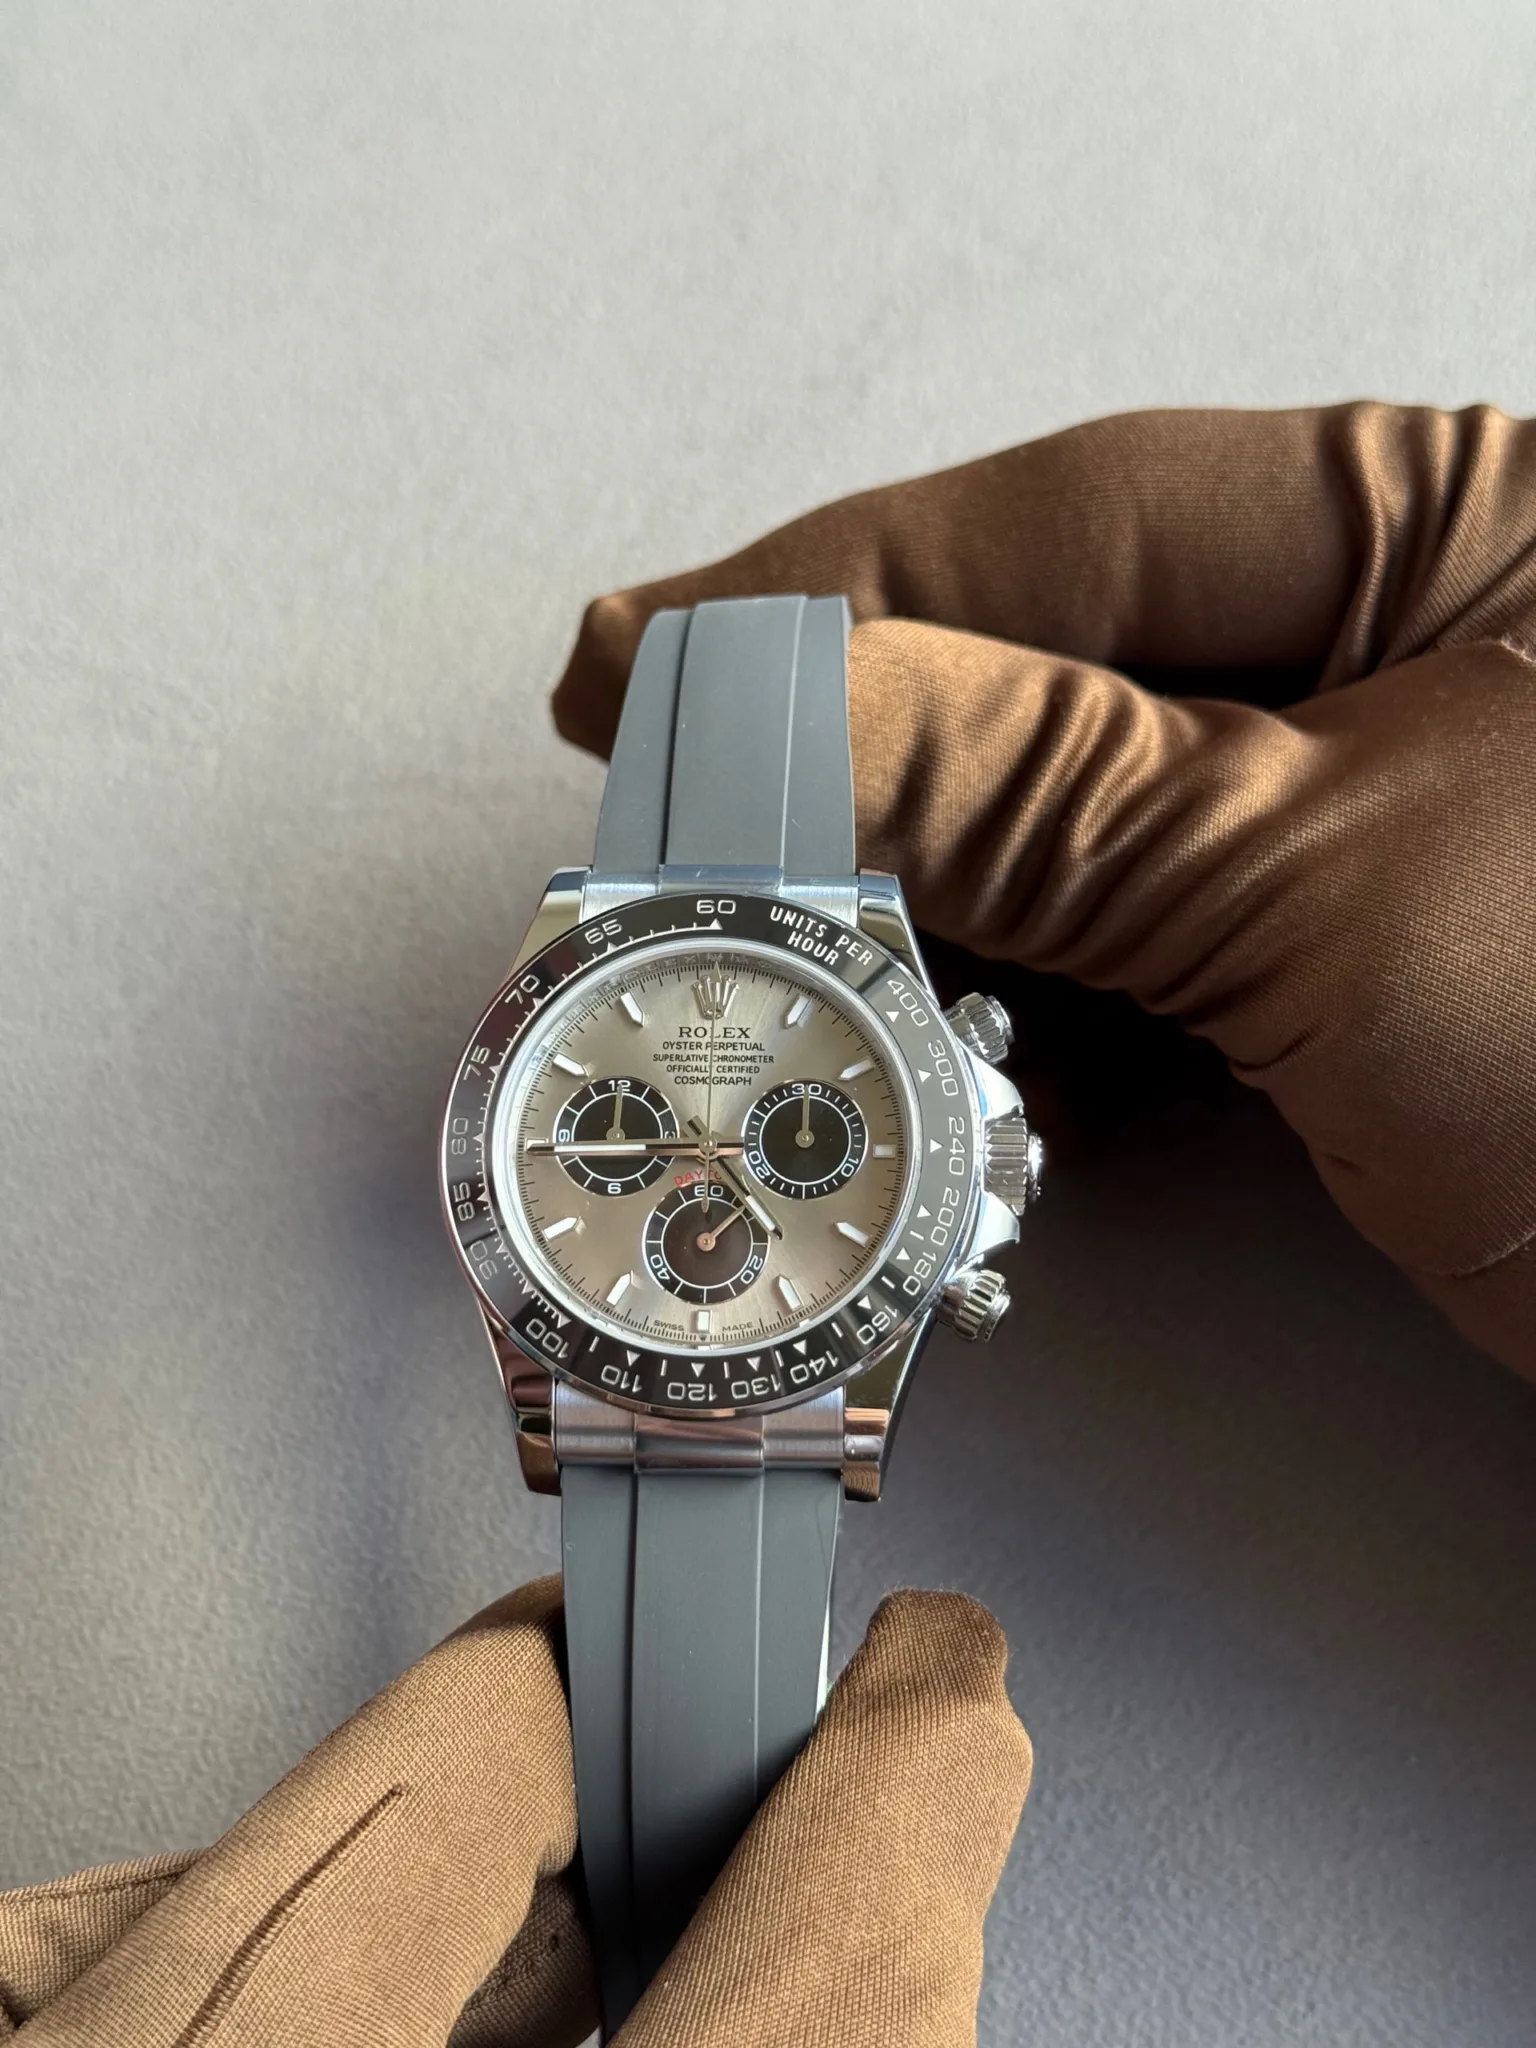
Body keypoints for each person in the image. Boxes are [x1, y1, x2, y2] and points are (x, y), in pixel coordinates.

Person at [4, 403, 1531, 2046]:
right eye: (634, 1131)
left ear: (975, 1155)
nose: (712, 1166)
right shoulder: (640, 1100)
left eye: (798, 1141)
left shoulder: (860, 1123)